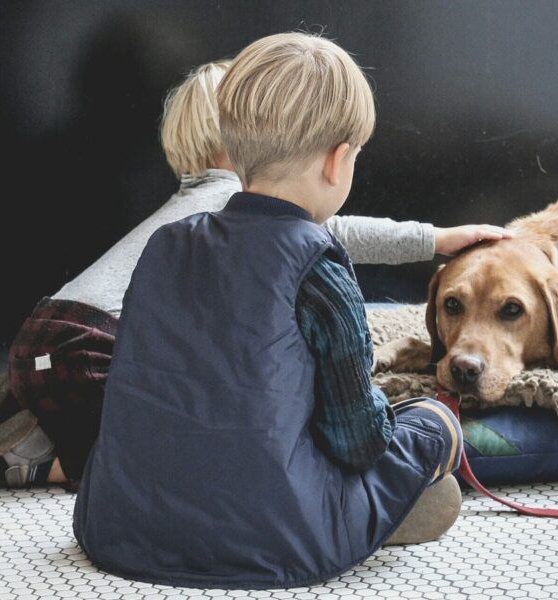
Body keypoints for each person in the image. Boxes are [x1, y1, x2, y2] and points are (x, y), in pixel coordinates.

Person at [0, 57, 507, 491]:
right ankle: (30, 462)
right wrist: (434, 239)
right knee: (148, 455)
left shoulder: (191, 208)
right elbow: (338, 231)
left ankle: (25, 407)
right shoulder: (235, 206)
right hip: (93, 344)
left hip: (50, 331)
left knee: (126, 409)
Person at [71, 32, 476, 588]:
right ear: (338, 162)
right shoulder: (318, 268)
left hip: (120, 524)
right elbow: (358, 442)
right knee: (432, 423)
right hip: (275, 536)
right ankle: (381, 506)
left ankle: (360, 508)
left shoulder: (165, 244)